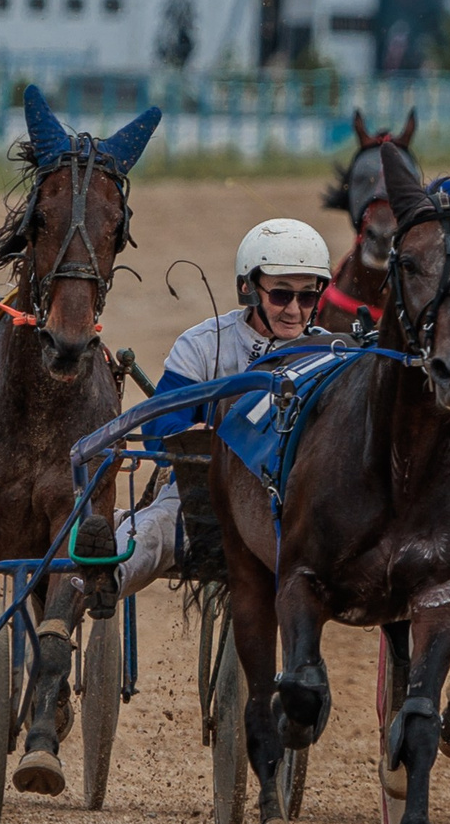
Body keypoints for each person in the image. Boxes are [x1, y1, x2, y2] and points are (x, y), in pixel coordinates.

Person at [113, 217, 335, 595]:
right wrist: (187, 434)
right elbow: (160, 429)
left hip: (301, 509)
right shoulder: (202, 345)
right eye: (281, 295)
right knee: (154, 531)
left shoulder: (332, 354)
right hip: (203, 501)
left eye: (307, 297)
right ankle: (107, 574)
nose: (295, 310)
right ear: (248, 288)